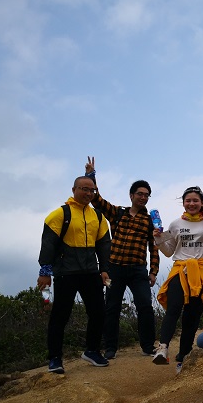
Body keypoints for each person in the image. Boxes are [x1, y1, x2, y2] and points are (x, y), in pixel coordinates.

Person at [84, 157, 159, 359]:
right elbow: (97, 200)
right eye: (140, 194)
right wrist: (91, 175)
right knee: (111, 308)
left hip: (138, 270)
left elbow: (154, 247)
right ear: (131, 195)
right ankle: (110, 348)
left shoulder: (149, 220)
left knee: (145, 306)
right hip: (114, 269)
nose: (143, 197)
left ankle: (147, 346)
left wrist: (153, 271)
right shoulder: (118, 213)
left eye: (147, 195)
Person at [152, 186, 203, 373]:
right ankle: (163, 348)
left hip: (201, 272)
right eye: (188, 200)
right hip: (180, 270)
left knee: (192, 317)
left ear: (202, 203)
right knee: (173, 308)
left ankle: (183, 357)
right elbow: (169, 251)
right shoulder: (175, 224)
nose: (192, 203)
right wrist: (159, 240)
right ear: (183, 203)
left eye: (196, 200)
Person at [37, 176, 112, 373]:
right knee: (60, 316)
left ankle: (92, 351)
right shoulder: (60, 214)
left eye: (92, 190)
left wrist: (105, 270)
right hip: (66, 272)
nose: (88, 193)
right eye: (84, 189)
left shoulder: (98, 216)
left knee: (98, 313)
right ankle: (55, 358)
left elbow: (104, 245)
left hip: (90, 272)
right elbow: (48, 244)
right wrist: (45, 272)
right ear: (74, 189)